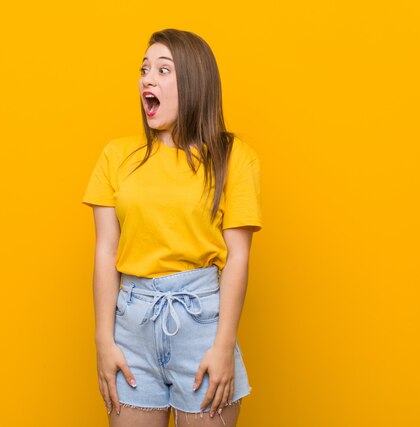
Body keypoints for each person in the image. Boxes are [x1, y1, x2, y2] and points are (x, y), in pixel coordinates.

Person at [82, 28, 263, 427]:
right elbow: (105, 253)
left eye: (164, 70)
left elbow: (238, 258)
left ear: (195, 83)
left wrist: (223, 345)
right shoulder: (117, 156)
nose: (148, 78)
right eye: (145, 69)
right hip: (131, 327)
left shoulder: (233, 158)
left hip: (203, 327)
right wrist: (104, 339)